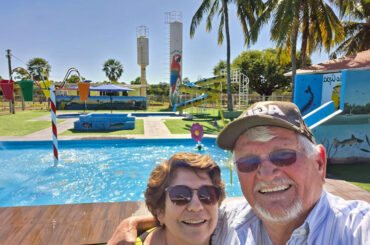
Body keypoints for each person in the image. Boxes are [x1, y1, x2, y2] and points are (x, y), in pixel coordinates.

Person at [108, 101, 369, 245]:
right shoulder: (230, 221)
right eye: (248, 162)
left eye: (283, 155)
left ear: (320, 163)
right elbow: (187, 217)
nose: (266, 173)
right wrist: (131, 224)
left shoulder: (356, 229)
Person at [108, 152, 226, 245]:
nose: (196, 206)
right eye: (180, 196)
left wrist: (133, 223)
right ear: (159, 209)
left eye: (207, 194)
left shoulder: (232, 233)